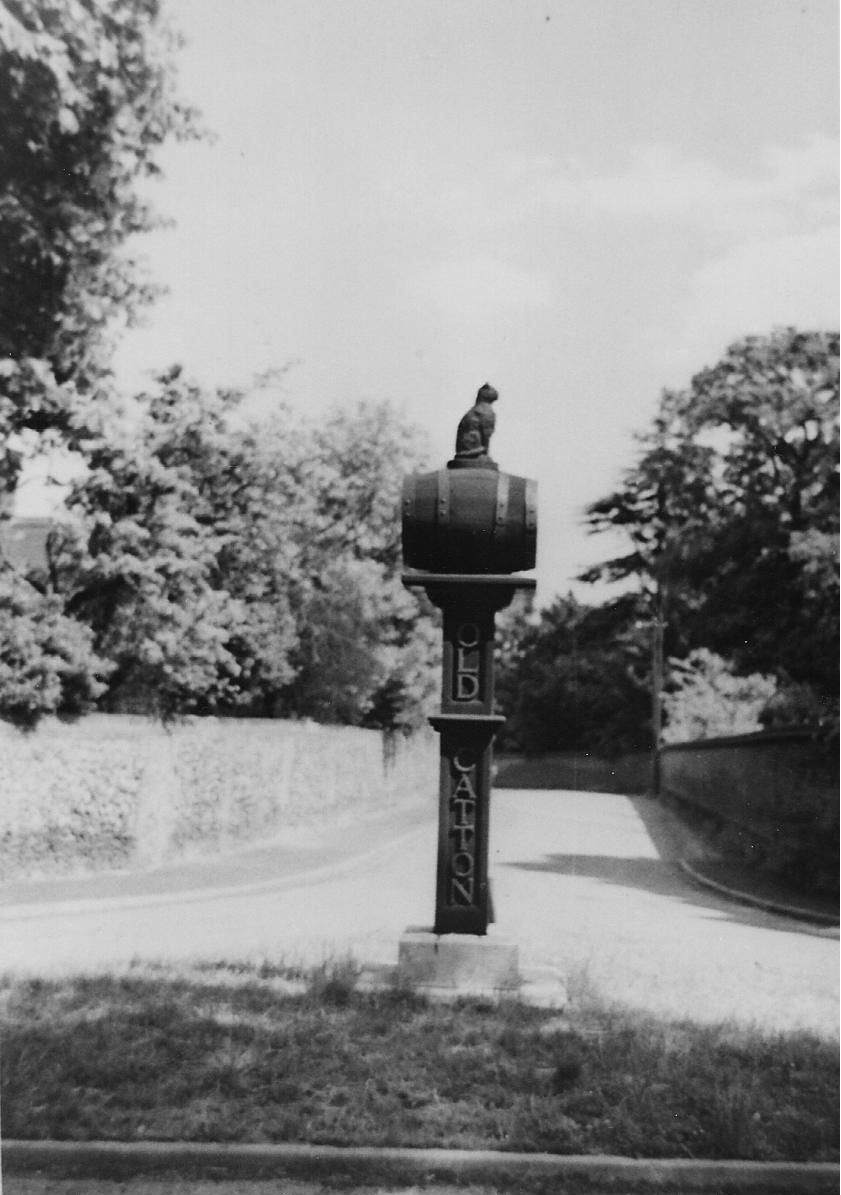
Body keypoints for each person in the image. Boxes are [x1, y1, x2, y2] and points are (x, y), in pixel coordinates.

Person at [454, 383, 498, 460]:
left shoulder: (478, 409)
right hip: (472, 447)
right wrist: (486, 452)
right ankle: (478, 452)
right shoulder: (485, 411)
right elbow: (486, 433)